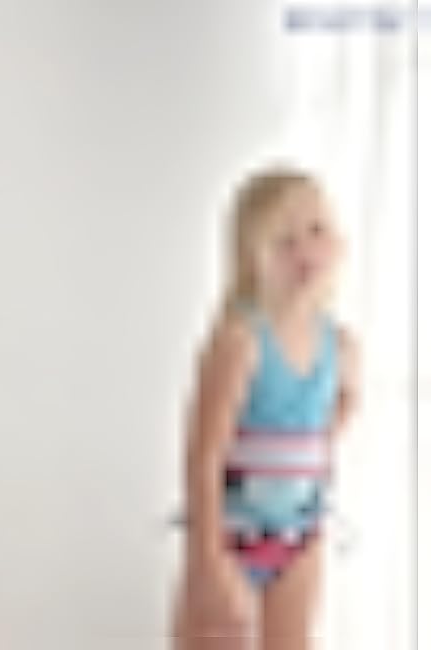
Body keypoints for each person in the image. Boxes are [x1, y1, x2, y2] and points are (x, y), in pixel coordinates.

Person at [171, 167, 360, 650]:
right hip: (229, 537)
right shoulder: (240, 340)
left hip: (299, 539)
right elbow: (203, 457)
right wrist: (206, 560)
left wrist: (312, 464)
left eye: (316, 231)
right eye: (284, 241)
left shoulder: (339, 345)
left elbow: (332, 421)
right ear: (251, 256)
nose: (304, 251)